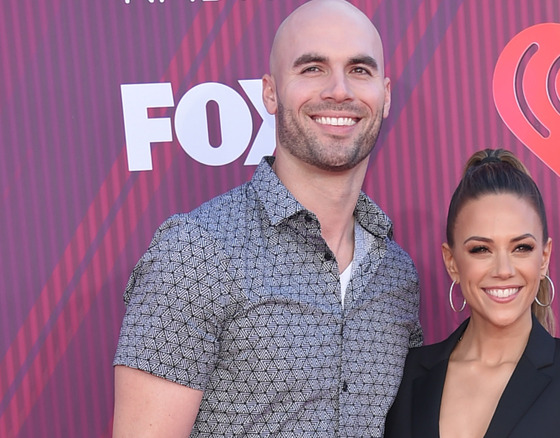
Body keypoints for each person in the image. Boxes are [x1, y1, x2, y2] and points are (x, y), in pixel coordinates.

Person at [112, 1, 422, 436]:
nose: (339, 90)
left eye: (359, 70)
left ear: (385, 95)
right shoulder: (196, 251)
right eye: (312, 68)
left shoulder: (396, 275)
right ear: (271, 92)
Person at [384, 149, 560, 437]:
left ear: (544, 257)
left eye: (521, 248)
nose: (503, 269)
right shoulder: (405, 377)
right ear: (452, 262)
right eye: (481, 249)